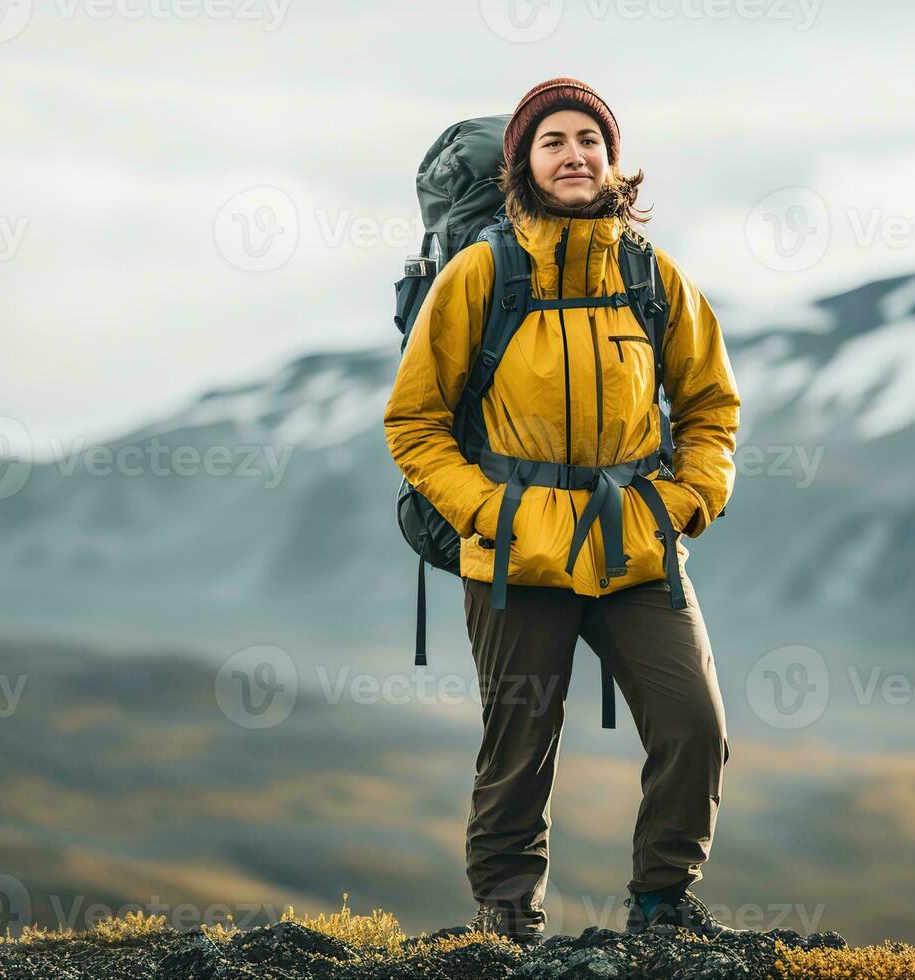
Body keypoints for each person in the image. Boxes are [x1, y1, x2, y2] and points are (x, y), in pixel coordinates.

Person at [383, 77, 743, 946]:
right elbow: (415, 421)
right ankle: (507, 924)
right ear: (522, 164)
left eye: (590, 138)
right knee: (520, 746)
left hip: (635, 547)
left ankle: (662, 905)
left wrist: (683, 503)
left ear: (614, 161)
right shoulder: (481, 272)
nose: (575, 153)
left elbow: (710, 410)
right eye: (553, 141)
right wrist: (488, 514)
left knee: (695, 725)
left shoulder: (654, 279)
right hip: (514, 556)